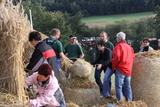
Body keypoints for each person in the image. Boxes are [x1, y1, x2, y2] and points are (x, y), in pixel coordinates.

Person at [112, 32, 135, 101]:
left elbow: (117, 57)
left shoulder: (118, 47)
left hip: (120, 69)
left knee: (119, 86)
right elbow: (133, 57)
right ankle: (129, 102)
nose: (116, 39)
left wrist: (113, 67)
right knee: (128, 86)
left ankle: (120, 101)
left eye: (116, 38)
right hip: (128, 70)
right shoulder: (130, 47)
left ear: (119, 38)